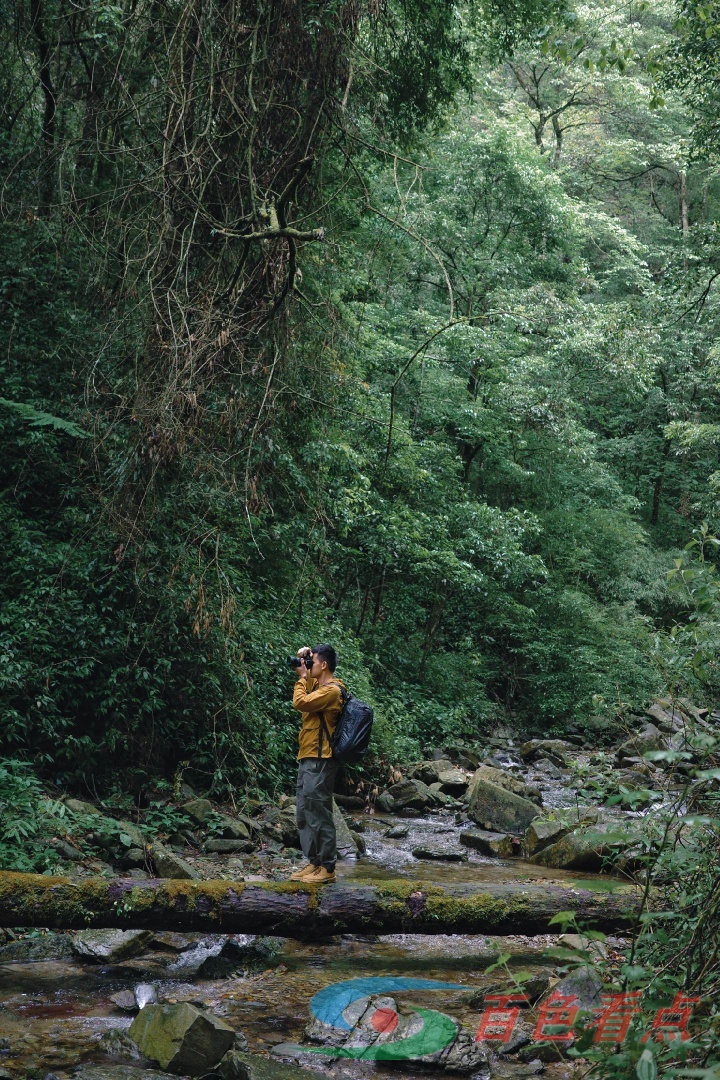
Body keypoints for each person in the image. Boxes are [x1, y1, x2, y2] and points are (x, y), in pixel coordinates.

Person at [288, 643, 346, 884]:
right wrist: (303, 661)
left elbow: (300, 702)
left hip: (321, 759)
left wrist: (302, 677)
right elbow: (308, 691)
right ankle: (314, 862)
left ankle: (328, 867)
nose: (309, 666)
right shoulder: (319, 687)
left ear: (323, 665)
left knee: (319, 811)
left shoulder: (332, 691)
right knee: (304, 812)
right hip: (307, 756)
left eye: (313, 662)